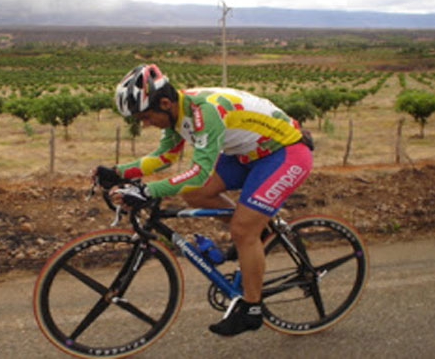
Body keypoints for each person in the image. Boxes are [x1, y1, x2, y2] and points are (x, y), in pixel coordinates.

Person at [99, 63, 313, 336]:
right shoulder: (177, 112)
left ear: (164, 103)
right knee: (195, 195)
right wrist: (117, 172)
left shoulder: (204, 112)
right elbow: (163, 158)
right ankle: (259, 233)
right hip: (245, 154)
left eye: (146, 116)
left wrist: (147, 191)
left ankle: (252, 308)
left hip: (284, 154)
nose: (145, 123)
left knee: (241, 229)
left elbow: (198, 173)